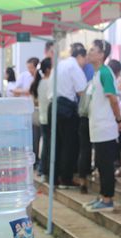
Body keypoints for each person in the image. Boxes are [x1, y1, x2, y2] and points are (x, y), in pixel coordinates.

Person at [82, 40, 121, 212]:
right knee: (100, 163)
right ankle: (102, 196)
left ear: (101, 54)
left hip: (105, 127)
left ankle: (107, 199)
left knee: (105, 165)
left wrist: (118, 119)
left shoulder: (105, 73)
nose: (89, 52)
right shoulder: (96, 73)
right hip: (97, 127)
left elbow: (113, 99)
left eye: (93, 50)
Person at [55, 43, 88, 189]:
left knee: (60, 144)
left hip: (56, 106)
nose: (85, 63)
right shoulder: (74, 67)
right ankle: (66, 178)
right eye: (85, 59)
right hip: (67, 108)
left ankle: (57, 177)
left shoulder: (61, 64)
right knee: (70, 145)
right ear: (80, 56)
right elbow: (82, 92)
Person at [30, 57, 52, 179]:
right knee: (47, 145)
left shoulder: (40, 82)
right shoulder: (49, 83)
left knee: (44, 144)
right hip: (48, 117)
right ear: (48, 69)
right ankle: (43, 169)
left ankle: (42, 168)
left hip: (42, 116)